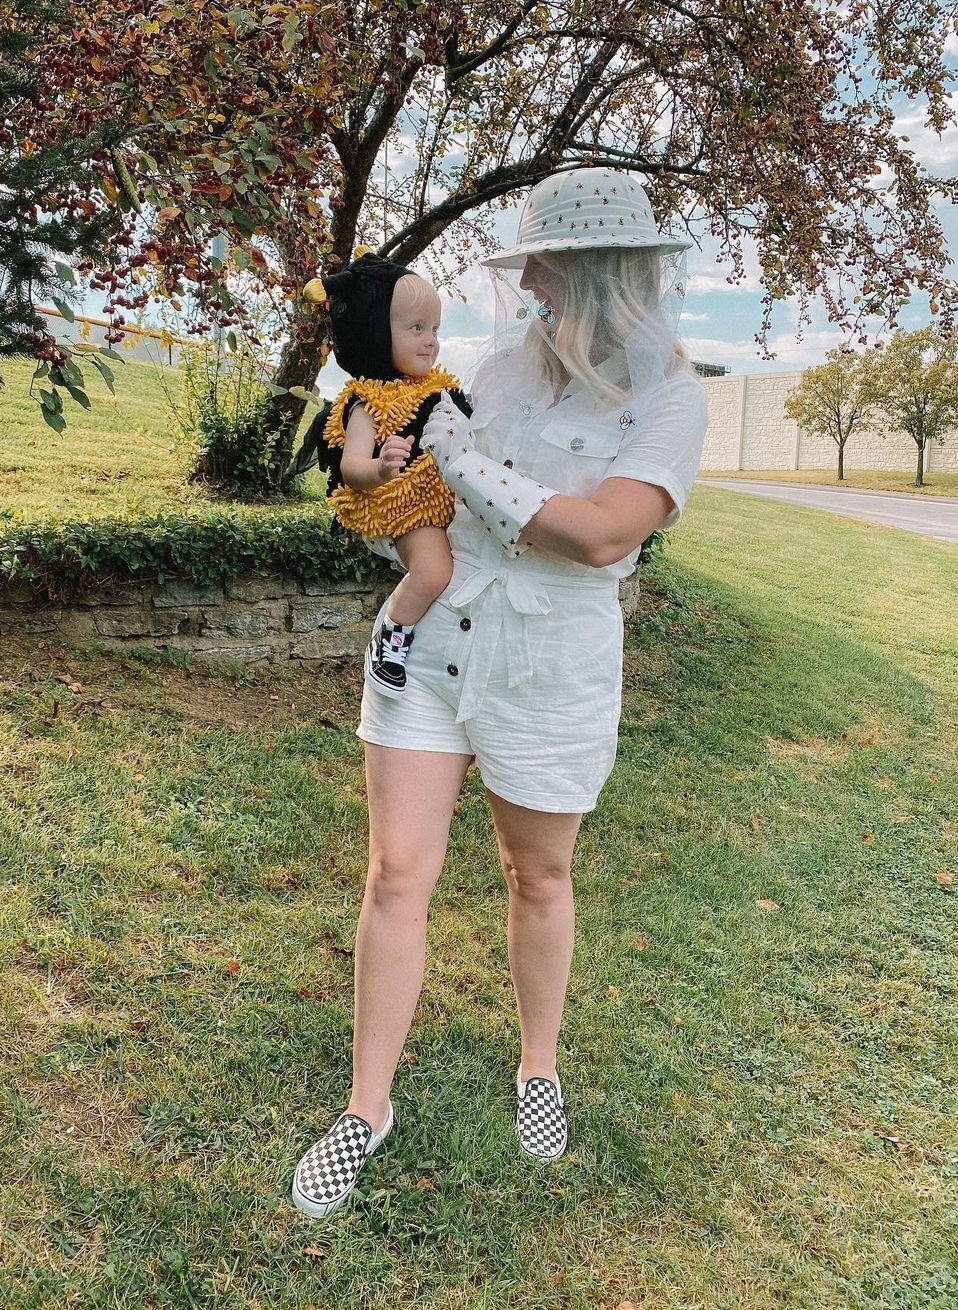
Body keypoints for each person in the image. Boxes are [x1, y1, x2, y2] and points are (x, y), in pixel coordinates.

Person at [291, 167, 709, 1219]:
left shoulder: (672, 394)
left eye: (551, 273)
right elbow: (407, 466)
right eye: (533, 275)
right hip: (436, 650)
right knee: (394, 875)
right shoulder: (499, 367)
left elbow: (606, 531)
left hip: (549, 668)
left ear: (602, 271)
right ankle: (365, 1107)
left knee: (537, 877)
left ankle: (537, 1068)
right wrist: (376, 468)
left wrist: (463, 461)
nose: (537, 293)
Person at [301, 250, 473, 696]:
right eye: (415, 328)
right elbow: (350, 467)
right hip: (404, 508)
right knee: (434, 572)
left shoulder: (437, 389)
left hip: (443, 500)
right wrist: (379, 468)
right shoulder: (369, 402)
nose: (430, 341)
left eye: (434, 329)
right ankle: (392, 637)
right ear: (375, 332)